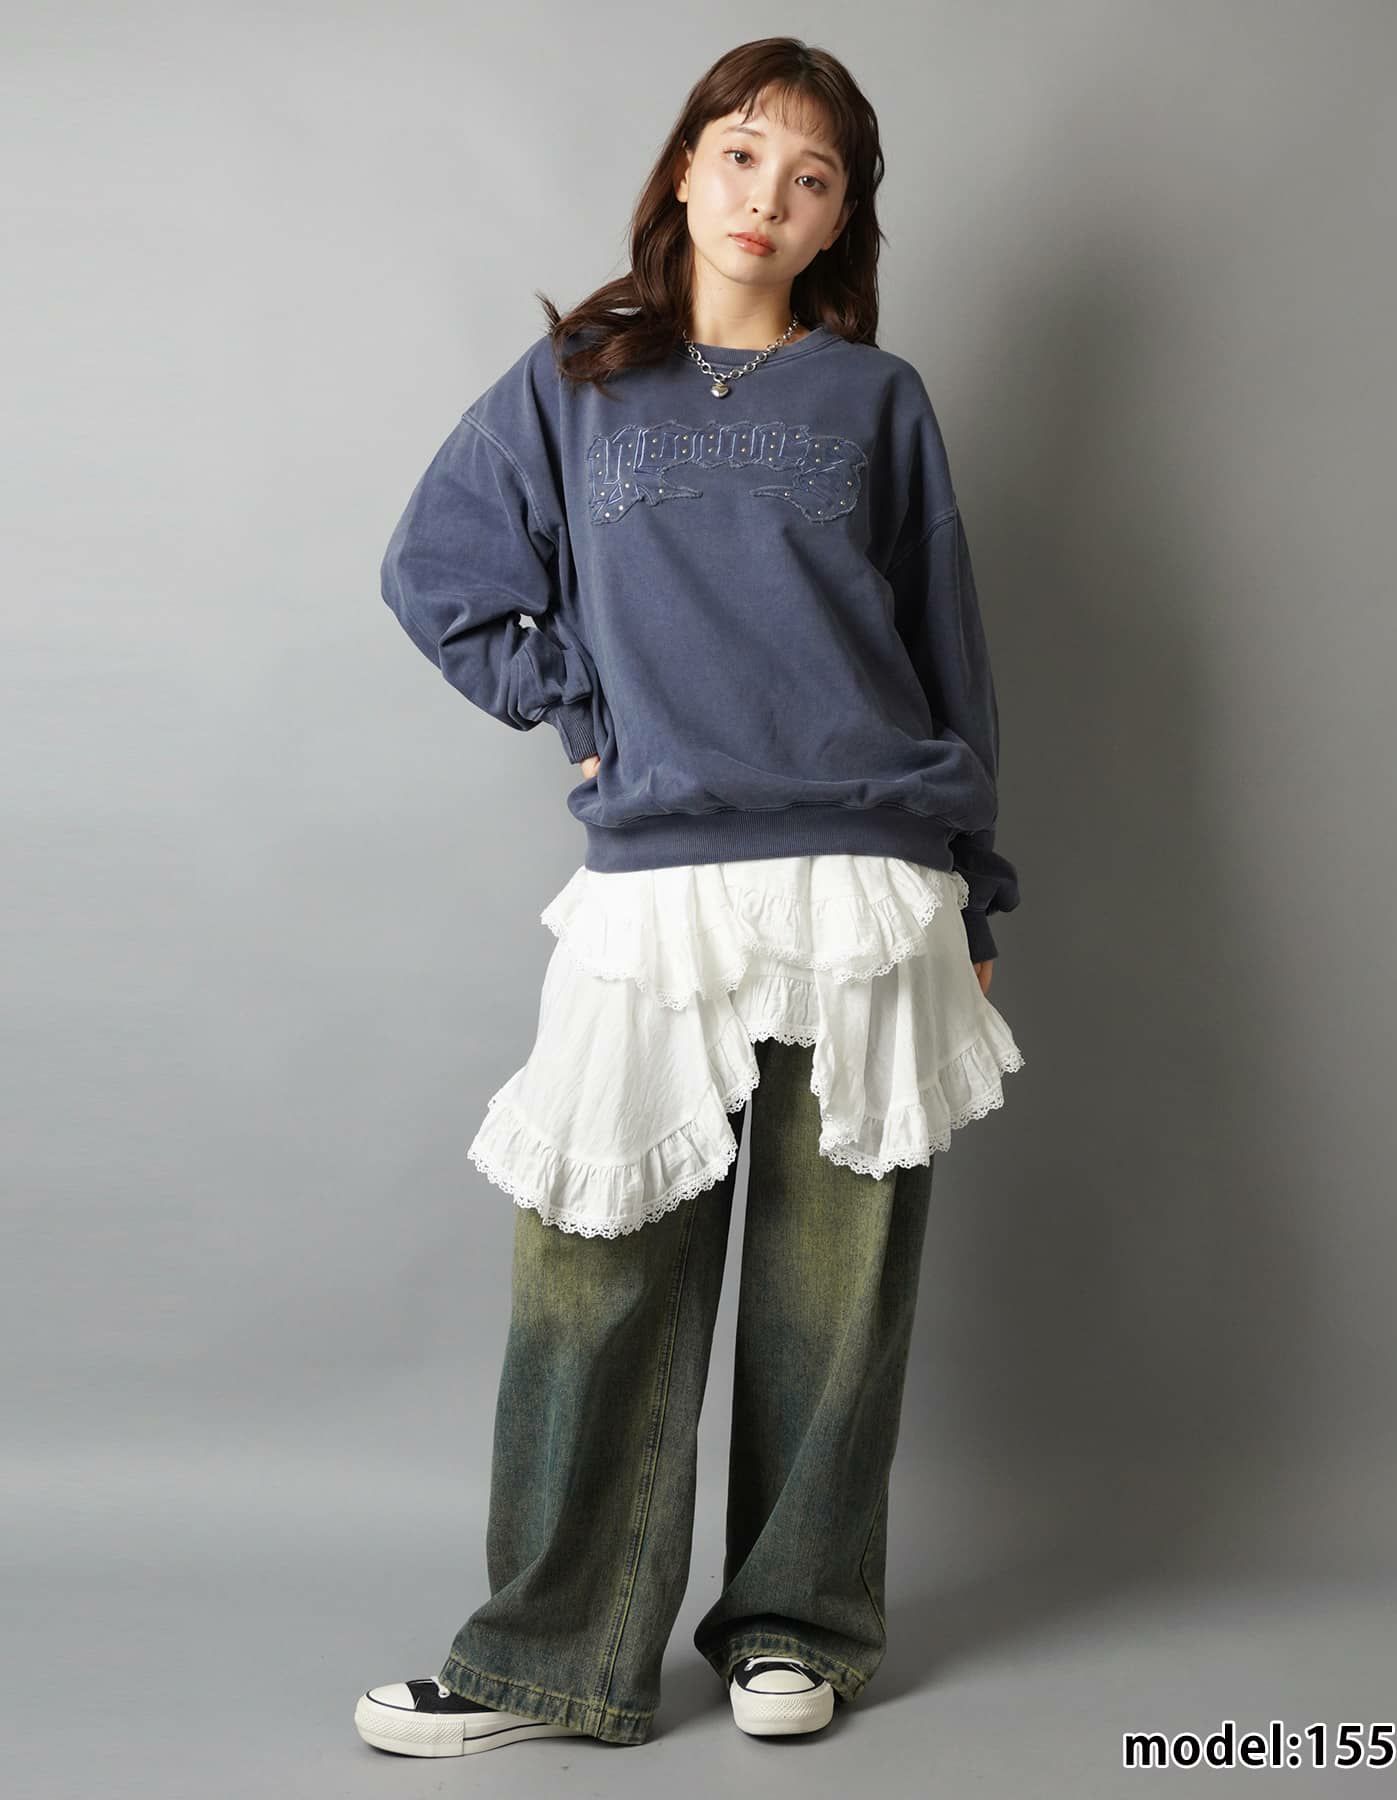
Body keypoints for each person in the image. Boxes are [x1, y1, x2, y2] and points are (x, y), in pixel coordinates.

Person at [354, 34, 1025, 1757]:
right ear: (682, 167)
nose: (766, 197)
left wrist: (977, 894)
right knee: (591, 1273)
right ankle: (548, 1655)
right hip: (663, 878)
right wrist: (578, 708)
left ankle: (797, 1627)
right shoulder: (573, 383)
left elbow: (947, 653)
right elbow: (438, 573)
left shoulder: (877, 400)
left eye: (812, 177)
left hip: (869, 873)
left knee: (834, 1288)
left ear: (840, 220)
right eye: (741, 154)